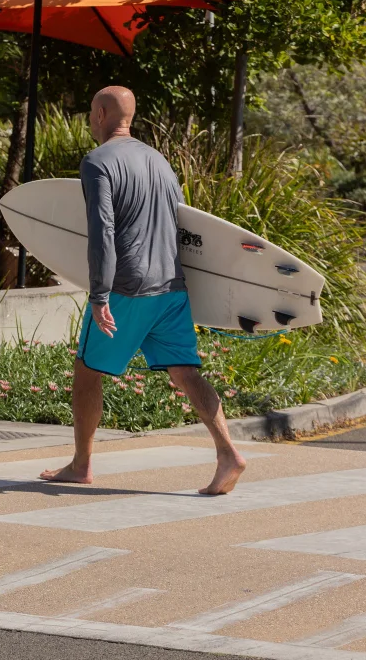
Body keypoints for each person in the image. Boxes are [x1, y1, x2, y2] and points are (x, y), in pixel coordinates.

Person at [40, 85, 247, 496]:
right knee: (186, 372)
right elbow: (184, 225)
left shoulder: (97, 162)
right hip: (171, 285)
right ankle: (228, 452)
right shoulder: (160, 162)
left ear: (99, 113)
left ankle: (82, 465)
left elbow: (103, 231)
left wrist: (100, 295)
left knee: (86, 373)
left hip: (127, 287)